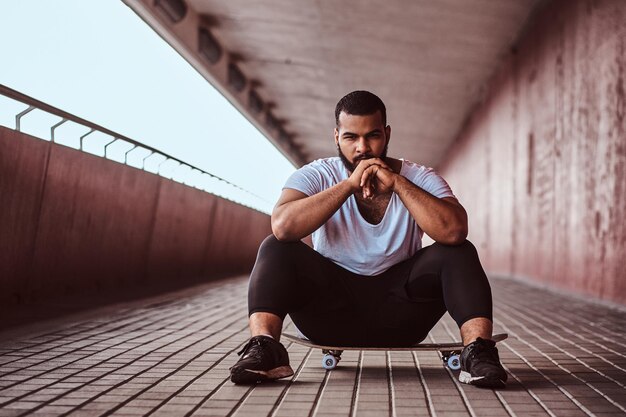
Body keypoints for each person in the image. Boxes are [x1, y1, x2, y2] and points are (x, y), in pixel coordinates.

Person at [230, 90, 507, 388]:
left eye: (372, 135)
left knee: (458, 250)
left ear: (386, 134)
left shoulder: (420, 177)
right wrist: (348, 185)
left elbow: (454, 230)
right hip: (329, 315)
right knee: (275, 247)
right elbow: (283, 226)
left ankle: (478, 352)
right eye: (351, 137)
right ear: (336, 136)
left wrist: (399, 184)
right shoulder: (315, 175)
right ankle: (265, 349)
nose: (363, 148)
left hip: (401, 314)